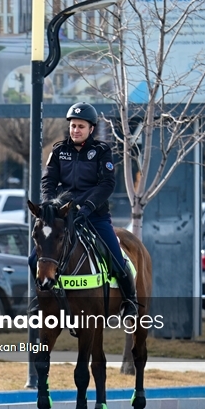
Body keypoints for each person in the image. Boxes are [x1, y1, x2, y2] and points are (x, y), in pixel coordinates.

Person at [32, 101, 138, 318]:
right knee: (35, 258)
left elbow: (107, 184)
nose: (76, 130)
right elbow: (48, 181)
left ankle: (131, 302)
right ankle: (41, 297)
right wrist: (50, 205)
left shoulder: (101, 151)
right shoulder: (59, 150)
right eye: (73, 126)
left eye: (81, 126)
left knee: (117, 259)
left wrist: (87, 206)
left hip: (94, 216)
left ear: (91, 129)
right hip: (62, 218)